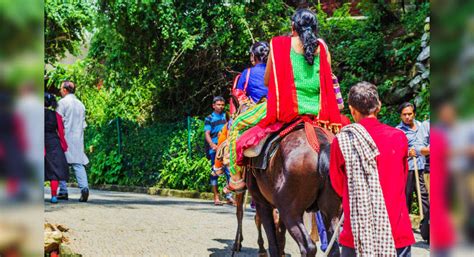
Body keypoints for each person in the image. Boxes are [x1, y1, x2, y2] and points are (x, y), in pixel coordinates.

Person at [228, 8, 342, 191]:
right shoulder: (323, 48)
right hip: (318, 111)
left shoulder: (278, 44)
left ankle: (235, 179)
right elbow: (327, 81)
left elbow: (268, 81)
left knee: (237, 124)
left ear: (292, 26)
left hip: (285, 109)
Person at [330, 82, 415, 256]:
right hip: (396, 231)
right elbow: (403, 179)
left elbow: (339, 186)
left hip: (357, 234)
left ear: (352, 110)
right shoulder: (399, 138)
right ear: (379, 106)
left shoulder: (341, 141)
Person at [56, 81, 90, 202]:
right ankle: (84, 189)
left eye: (61, 88)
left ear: (65, 90)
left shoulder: (62, 103)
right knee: (78, 164)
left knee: (60, 164)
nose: (60, 91)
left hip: (64, 137)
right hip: (78, 138)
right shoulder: (81, 104)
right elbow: (83, 124)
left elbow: (58, 121)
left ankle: (63, 191)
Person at [396, 102, 430, 218]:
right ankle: (405, 222)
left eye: (409, 114)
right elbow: (395, 151)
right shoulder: (398, 131)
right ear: (400, 115)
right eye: (404, 114)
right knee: (407, 195)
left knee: (424, 195)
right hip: (408, 168)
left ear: (414, 114)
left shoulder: (422, 126)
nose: (407, 117)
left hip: (422, 166)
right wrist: (407, 153)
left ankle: (425, 223)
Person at [205, 96, 233, 205]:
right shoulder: (209, 118)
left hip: (226, 148)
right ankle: (216, 197)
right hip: (215, 148)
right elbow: (207, 133)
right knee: (215, 172)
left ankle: (229, 196)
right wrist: (212, 144)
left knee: (229, 172)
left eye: (222, 105)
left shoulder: (227, 116)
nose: (220, 107)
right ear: (213, 105)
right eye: (218, 105)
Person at [44, 93, 69, 204]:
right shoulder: (56, 115)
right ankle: (54, 196)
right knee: (54, 171)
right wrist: (64, 145)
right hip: (53, 143)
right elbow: (61, 132)